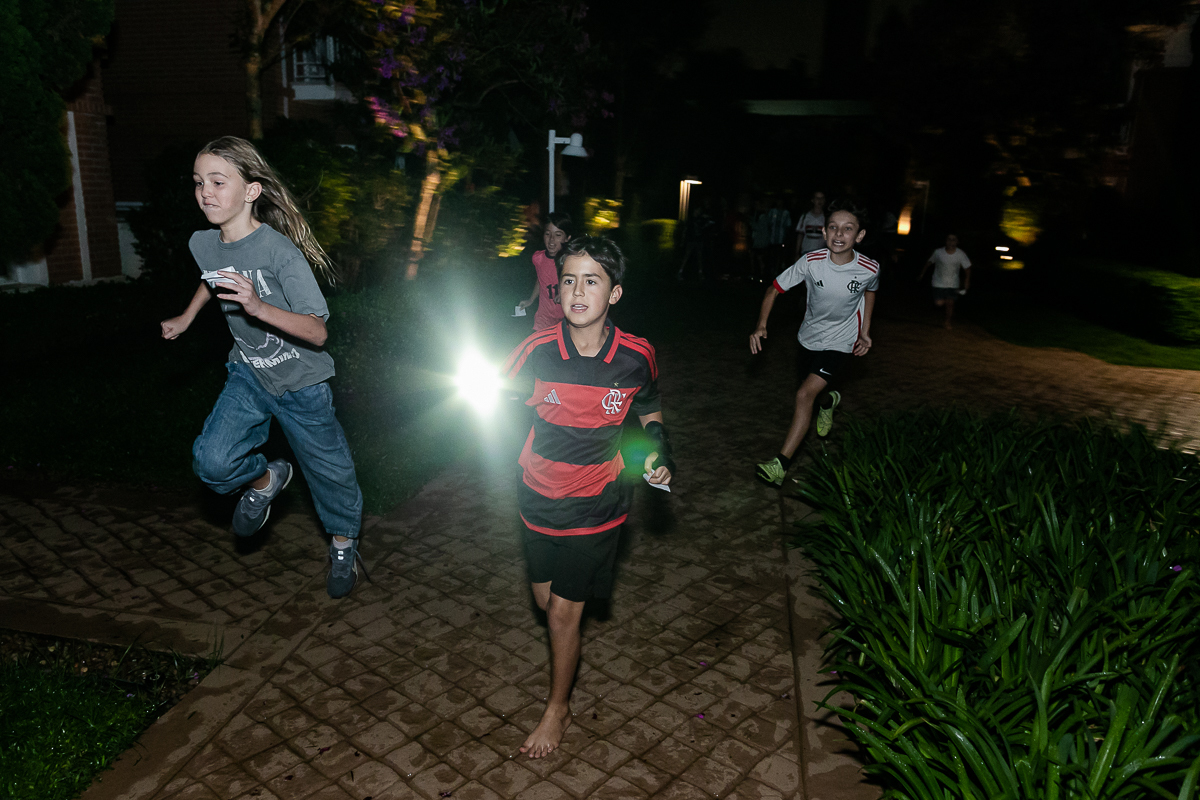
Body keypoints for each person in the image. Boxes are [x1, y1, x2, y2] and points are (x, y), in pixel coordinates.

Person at [160, 136, 364, 599]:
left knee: (330, 474)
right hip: (249, 373)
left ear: (251, 191)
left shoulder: (280, 254)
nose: (205, 192)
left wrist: (256, 306)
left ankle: (343, 545)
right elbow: (212, 279)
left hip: (302, 383)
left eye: (218, 181)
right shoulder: (204, 243)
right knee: (212, 461)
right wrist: (187, 317)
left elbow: (317, 332)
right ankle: (266, 478)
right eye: (198, 183)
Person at [502, 235, 674, 758]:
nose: (577, 291)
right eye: (568, 280)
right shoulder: (534, 350)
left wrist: (656, 452)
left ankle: (558, 708)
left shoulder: (636, 356)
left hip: (598, 500)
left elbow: (648, 408)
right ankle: (564, 667)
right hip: (537, 493)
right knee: (543, 599)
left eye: (591, 280)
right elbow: (495, 396)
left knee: (560, 612)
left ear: (614, 294)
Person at [750, 198, 879, 486]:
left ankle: (780, 465)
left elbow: (870, 292)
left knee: (803, 396)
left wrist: (865, 331)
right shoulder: (811, 262)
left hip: (841, 343)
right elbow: (773, 289)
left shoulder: (869, 268)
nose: (839, 234)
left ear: (859, 236)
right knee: (811, 395)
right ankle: (829, 401)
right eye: (833, 227)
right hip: (808, 339)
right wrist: (760, 325)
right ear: (824, 232)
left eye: (848, 229)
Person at [518, 211, 573, 330]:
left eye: (558, 235)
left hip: (567, 319)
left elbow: (577, 284)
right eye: (548, 234)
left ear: (567, 238)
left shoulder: (571, 261)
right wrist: (530, 300)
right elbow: (541, 280)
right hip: (544, 318)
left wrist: (564, 294)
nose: (551, 240)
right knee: (539, 347)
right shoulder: (538, 258)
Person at [917, 233, 971, 329]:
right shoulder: (938, 252)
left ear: (957, 242)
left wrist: (967, 280)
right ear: (946, 241)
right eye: (949, 239)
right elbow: (929, 262)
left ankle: (947, 322)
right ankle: (948, 302)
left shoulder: (960, 254)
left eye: (953, 239)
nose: (951, 242)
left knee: (950, 303)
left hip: (953, 283)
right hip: (938, 282)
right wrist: (922, 273)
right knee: (939, 303)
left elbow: (967, 268)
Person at [793, 190, 827, 258]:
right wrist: (797, 252)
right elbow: (800, 235)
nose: (819, 200)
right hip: (806, 251)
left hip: (820, 253)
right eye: (817, 198)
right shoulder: (805, 216)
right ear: (813, 200)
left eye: (821, 198)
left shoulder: (827, 218)